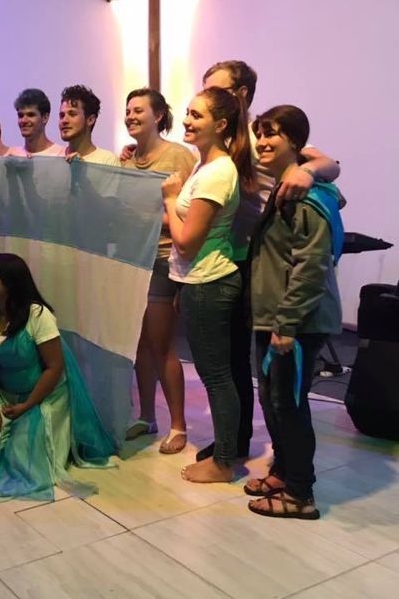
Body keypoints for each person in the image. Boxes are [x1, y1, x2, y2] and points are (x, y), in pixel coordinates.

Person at [195, 60, 341, 462]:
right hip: (233, 260)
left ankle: (289, 463)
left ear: (241, 94)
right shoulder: (219, 141)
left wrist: (309, 171)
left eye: (218, 91)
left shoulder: (265, 135)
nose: (210, 98)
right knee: (233, 361)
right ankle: (236, 439)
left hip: (267, 262)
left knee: (272, 374)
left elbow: (330, 164)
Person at [0, 253, 116, 502]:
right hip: (5, 396)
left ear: (10, 281)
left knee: (22, 458)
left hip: (43, 396)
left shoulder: (38, 315)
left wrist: (28, 405)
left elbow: (54, 368)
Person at [245, 105, 343, 519]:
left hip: (296, 321)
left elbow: (311, 265)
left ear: (296, 143)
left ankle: (301, 494)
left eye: (273, 134)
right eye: (260, 134)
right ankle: (284, 472)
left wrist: (286, 322)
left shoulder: (306, 196)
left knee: (289, 404)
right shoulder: (284, 186)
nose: (263, 142)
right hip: (274, 316)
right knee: (274, 399)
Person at [161, 86, 254, 483]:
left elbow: (186, 241)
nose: (186, 120)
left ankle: (224, 462)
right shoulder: (206, 166)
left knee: (216, 376)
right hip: (198, 281)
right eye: (187, 112)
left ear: (221, 124)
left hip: (210, 282)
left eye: (196, 115)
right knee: (216, 373)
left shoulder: (217, 172)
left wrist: (169, 199)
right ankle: (225, 452)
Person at [120, 88, 196, 454]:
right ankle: (147, 416)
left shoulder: (179, 156)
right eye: (128, 110)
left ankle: (178, 425)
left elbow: (190, 211)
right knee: (138, 344)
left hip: (165, 258)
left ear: (159, 116)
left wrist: (150, 218)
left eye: (139, 110)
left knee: (162, 344)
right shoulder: (126, 160)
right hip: (133, 259)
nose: (131, 116)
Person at [59, 85, 120, 166]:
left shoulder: (107, 161)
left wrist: (83, 170)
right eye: (62, 115)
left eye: (72, 114)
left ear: (90, 120)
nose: (64, 120)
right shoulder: (54, 157)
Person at [7, 88, 66, 157]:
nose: (23, 120)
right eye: (20, 115)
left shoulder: (63, 155)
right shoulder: (12, 156)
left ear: (45, 118)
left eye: (30, 115)